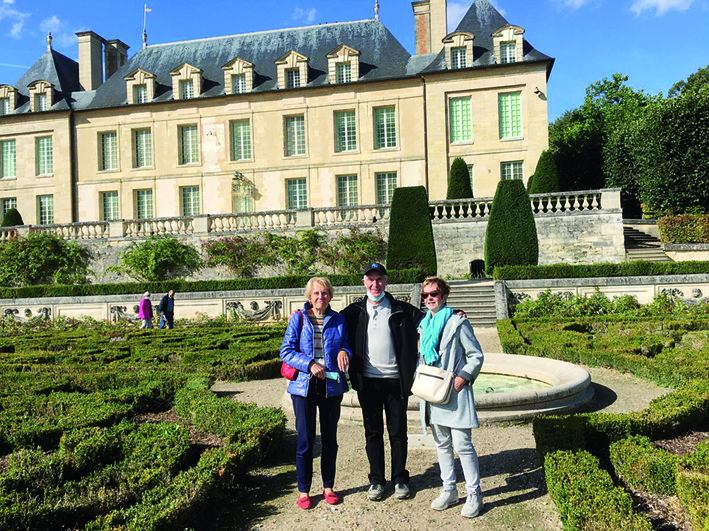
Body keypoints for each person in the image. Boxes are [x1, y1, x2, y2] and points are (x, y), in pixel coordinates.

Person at [340, 263, 424, 501]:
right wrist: (304, 311)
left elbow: (432, 318)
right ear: (364, 282)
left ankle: (400, 479)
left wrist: (455, 312)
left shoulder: (402, 309)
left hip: (395, 382)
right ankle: (376, 480)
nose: (375, 284)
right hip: (368, 382)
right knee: (373, 433)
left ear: (386, 282)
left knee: (398, 433)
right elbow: (329, 321)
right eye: (371, 280)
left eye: (379, 279)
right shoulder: (354, 312)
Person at [280, 277, 351, 510]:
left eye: (325, 293)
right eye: (316, 294)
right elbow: (286, 351)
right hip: (304, 386)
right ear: (309, 297)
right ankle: (304, 490)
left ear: (330, 295)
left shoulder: (339, 319)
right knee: (305, 440)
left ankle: (328, 486)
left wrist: (344, 351)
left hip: (331, 385)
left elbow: (347, 344)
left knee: (330, 439)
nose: (321, 297)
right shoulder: (298, 319)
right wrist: (309, 363)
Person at [418, 276, 484, 518]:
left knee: (464, 446)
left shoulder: (458, 322)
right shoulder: (424, 324)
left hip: (455, 391)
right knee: (442, 445)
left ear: (444, 296)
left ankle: (475, 493)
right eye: (425, 295)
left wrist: (464, 376)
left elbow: (476, 355)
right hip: (433, 391)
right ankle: (449, 489)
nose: (429, 298)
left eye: (434, 293)